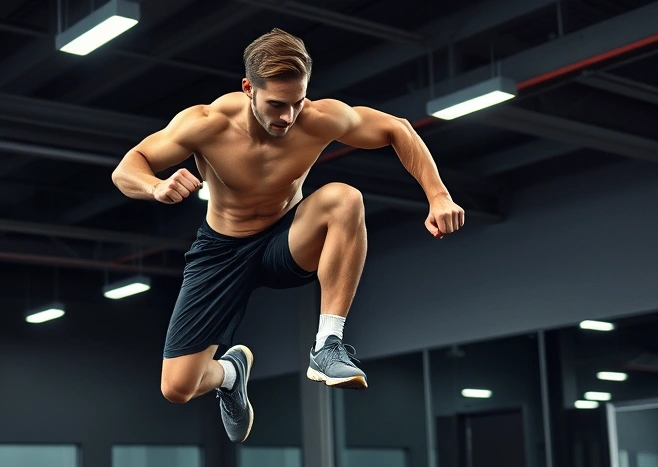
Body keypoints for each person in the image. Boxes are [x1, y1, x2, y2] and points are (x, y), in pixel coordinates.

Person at [111, 28, 464, 443]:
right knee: (177, 388)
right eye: (276, 104)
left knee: (344, 198)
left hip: (285, 240)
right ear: (248, 88)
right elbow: (128, 167)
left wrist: (438, 196)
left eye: (297, 102)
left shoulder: (319, 118)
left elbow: (397, 129)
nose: (287, 117)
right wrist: (155, 186)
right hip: (220, 251)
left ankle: (328, 344)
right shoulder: (205, 123)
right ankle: (230, 373)